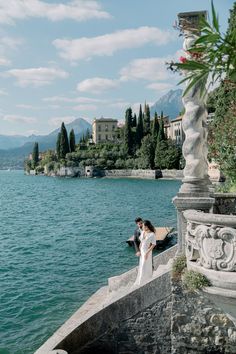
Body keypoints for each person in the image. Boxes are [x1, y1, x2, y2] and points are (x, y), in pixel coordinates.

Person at [134, 220, 156, 286]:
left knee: (144, 265)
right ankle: (141, 280)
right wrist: (139, 250)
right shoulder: (143, 232)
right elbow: (141, 241)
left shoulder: (152, 234)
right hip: (142, 250)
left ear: (146, 226)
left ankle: (145, 279)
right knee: (141, 265)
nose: (142, 226)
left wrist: (147, 253)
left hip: (147, 251)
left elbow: (153, 244)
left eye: (143, 226)